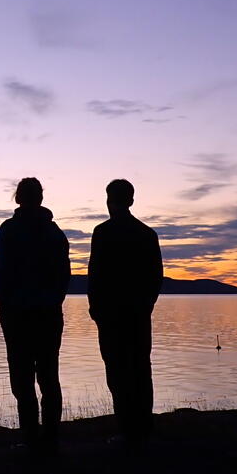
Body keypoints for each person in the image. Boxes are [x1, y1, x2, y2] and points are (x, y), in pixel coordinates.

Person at [87, 178, 164, 445]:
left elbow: (94, 275)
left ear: (110, 200)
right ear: (131, 200)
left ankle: (127, 429)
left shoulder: (103, 232)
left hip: (113, 315)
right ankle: (142, 427)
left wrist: (96, 309)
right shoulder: (146, 234)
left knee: (118, 371)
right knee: (141, 369)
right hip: (137, 314)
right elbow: (157, 278)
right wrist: (145, 305)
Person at [0, 177, 71, 447]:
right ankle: (49, 438)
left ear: (19, 198)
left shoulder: (9, 230)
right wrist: (54, 301)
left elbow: (3, 274)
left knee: (23, 379)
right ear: (40, 198)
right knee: (49, 377)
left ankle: (31, 438)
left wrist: (4, 309)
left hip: (18, 315)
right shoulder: (55, 233)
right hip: (48, 313)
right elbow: (64, 276)